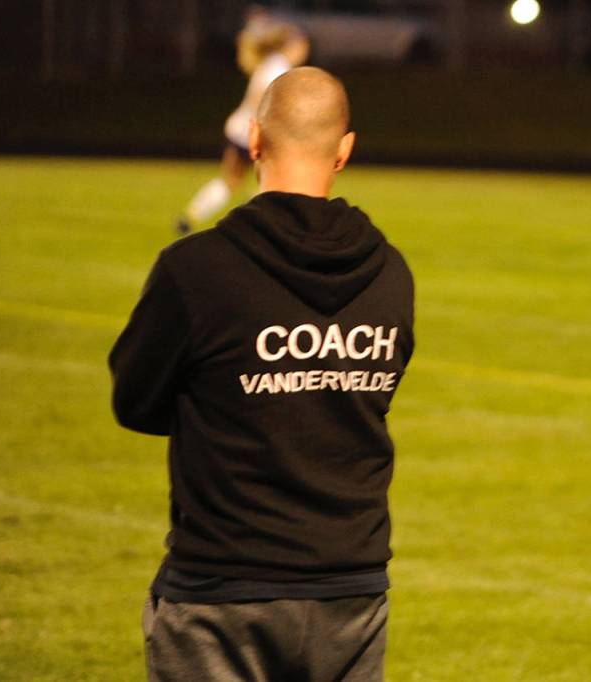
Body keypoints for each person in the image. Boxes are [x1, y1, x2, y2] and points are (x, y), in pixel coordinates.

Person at [111, 67, 414, 681]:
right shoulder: (390, 272)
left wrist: (229, 402)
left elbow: (136, 402)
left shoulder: (195, 269)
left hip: (222, 588)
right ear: (345, 150)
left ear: (253, 140)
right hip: (350, 590)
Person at [176, 15, 310, 236]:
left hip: (240, 130)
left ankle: (191, 216)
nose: (304, 51)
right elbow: (263, 104)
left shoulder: (270, 64)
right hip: (253, 134)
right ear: (292, 45)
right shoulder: (279, 68)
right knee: (272, 186)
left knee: (231, 181)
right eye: (302, 46)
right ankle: (258, 231)